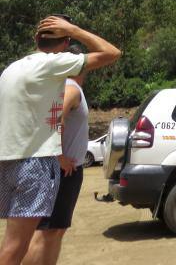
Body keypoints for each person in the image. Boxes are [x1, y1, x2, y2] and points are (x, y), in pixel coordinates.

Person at [0, 16, 121, 265]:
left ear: (36, 39)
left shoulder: (12, 69)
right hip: (34, 165)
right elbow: (112, 52)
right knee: (18, 247)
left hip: (8, 162)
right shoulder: (51, 65)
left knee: (15, 244)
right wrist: (75, 30)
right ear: (65, 44)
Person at [21, 55, 89, 265]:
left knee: (56, 230)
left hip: (66, 170)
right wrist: (59, 156)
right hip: (59, 170)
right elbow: (55, 117)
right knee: (44, 231)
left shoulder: (63, 87)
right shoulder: (71, 87)